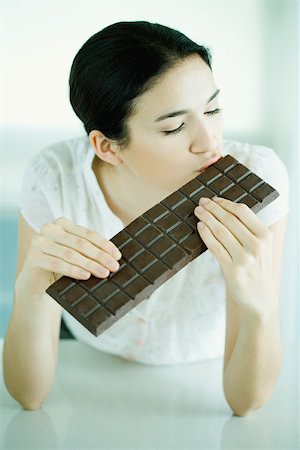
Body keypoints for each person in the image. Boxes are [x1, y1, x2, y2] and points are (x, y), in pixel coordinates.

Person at [3, 21, 289, 415]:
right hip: (91, 366)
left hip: (200, 371)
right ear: (107, 147)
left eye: (213, 108)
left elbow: (246, 404)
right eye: (174, 127)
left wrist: (261, 304)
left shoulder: (258, 174)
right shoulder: (56, 176)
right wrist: (31, 291)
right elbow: (27, 396)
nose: (210, 142)